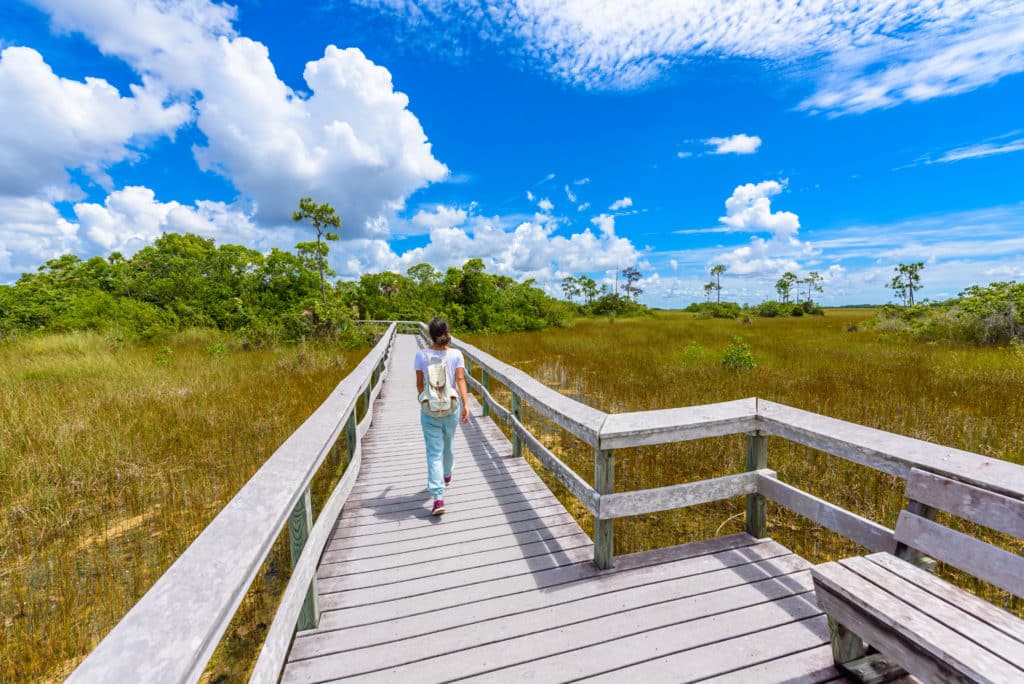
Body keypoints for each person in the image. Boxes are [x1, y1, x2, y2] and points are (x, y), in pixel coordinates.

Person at [414, 317, 470, 515]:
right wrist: (466, 403)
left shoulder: (421, 355)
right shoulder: (456, 354)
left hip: (430, 410)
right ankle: (446, 475)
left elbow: (420, 384)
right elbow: (461, 379)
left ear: (430, 334)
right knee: (448, 443)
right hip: (451, 408)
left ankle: (438, 498)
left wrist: (423, 398)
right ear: (447, 333)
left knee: (433, 452)